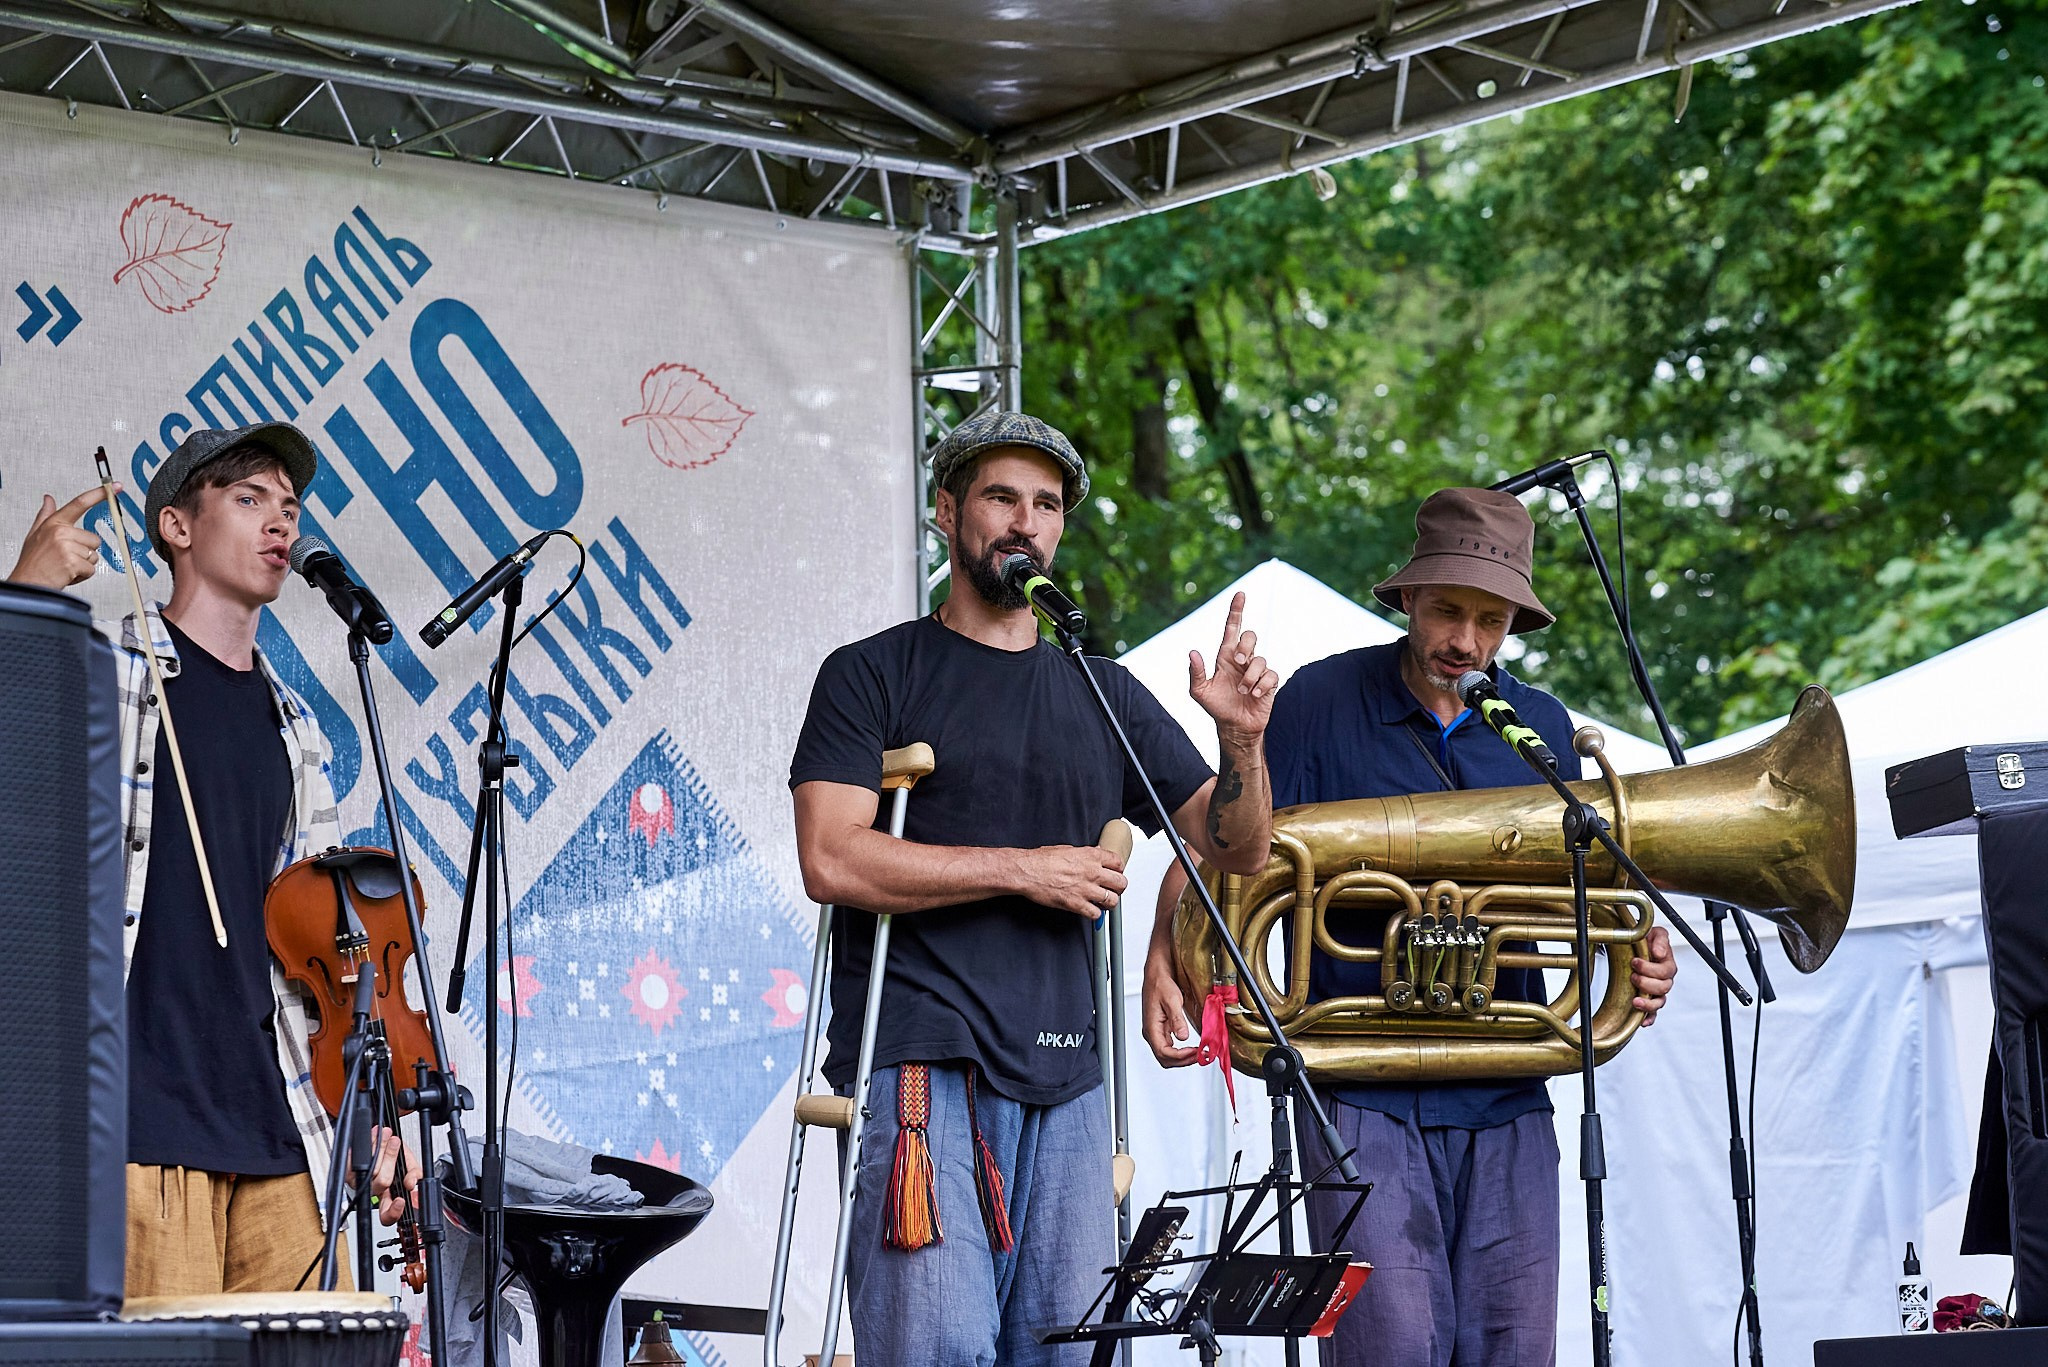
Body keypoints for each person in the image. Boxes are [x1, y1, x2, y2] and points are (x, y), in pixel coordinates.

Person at [1141, 487, 1678, 1367]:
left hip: (1508, 1095)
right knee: (1388, 1350)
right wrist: (1164, 949)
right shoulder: (1319, 700)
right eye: (1447, 611)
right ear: (1409, 598)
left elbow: (1598, 893)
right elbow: (1220, 841)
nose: (1466, 639)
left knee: (1516, 1351)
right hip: (1359, 1095)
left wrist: (1644, 948)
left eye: (1490, 620)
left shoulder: (1541, 728)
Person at [789, 410, 1279, 1365]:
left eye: (1046, 504)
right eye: (1002, 497)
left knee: (1074, 1350)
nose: (1026, 521)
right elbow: (831, 858)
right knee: (937, 1351)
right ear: (946, 510)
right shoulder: (871, 672)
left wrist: (1243, 741)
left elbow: (1240, 846)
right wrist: (1024, 869)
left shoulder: (1102, 688)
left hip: (1069, 1079)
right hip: (922, 1059)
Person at [8, 423, 415, 1296]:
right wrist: (26, 598)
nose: (281, 521)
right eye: (248, 497)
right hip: (137, 1130)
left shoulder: (294, 724)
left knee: (326, 1353)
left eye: (289, 505)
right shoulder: (108, 667)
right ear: (177, 526)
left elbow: (328, 954)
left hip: (280, 1131)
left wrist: (372, 1113)